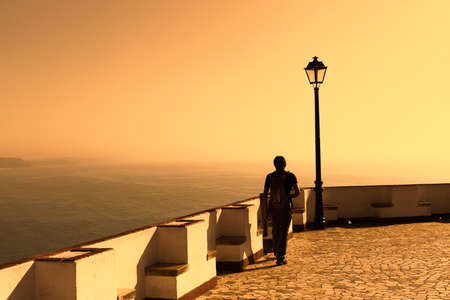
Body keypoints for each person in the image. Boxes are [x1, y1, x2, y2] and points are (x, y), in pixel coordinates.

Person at [263, 156, 300, 265]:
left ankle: (276, 252)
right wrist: (289, 196)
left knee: (275, 230)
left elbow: (265, 194)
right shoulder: (290, 176)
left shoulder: (269, 177)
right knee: (283, 232)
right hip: (285, 207)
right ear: (285, 164)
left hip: (273, 207)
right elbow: (297, 192)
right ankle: (280, 257)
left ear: (274, 164)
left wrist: (265, 210)